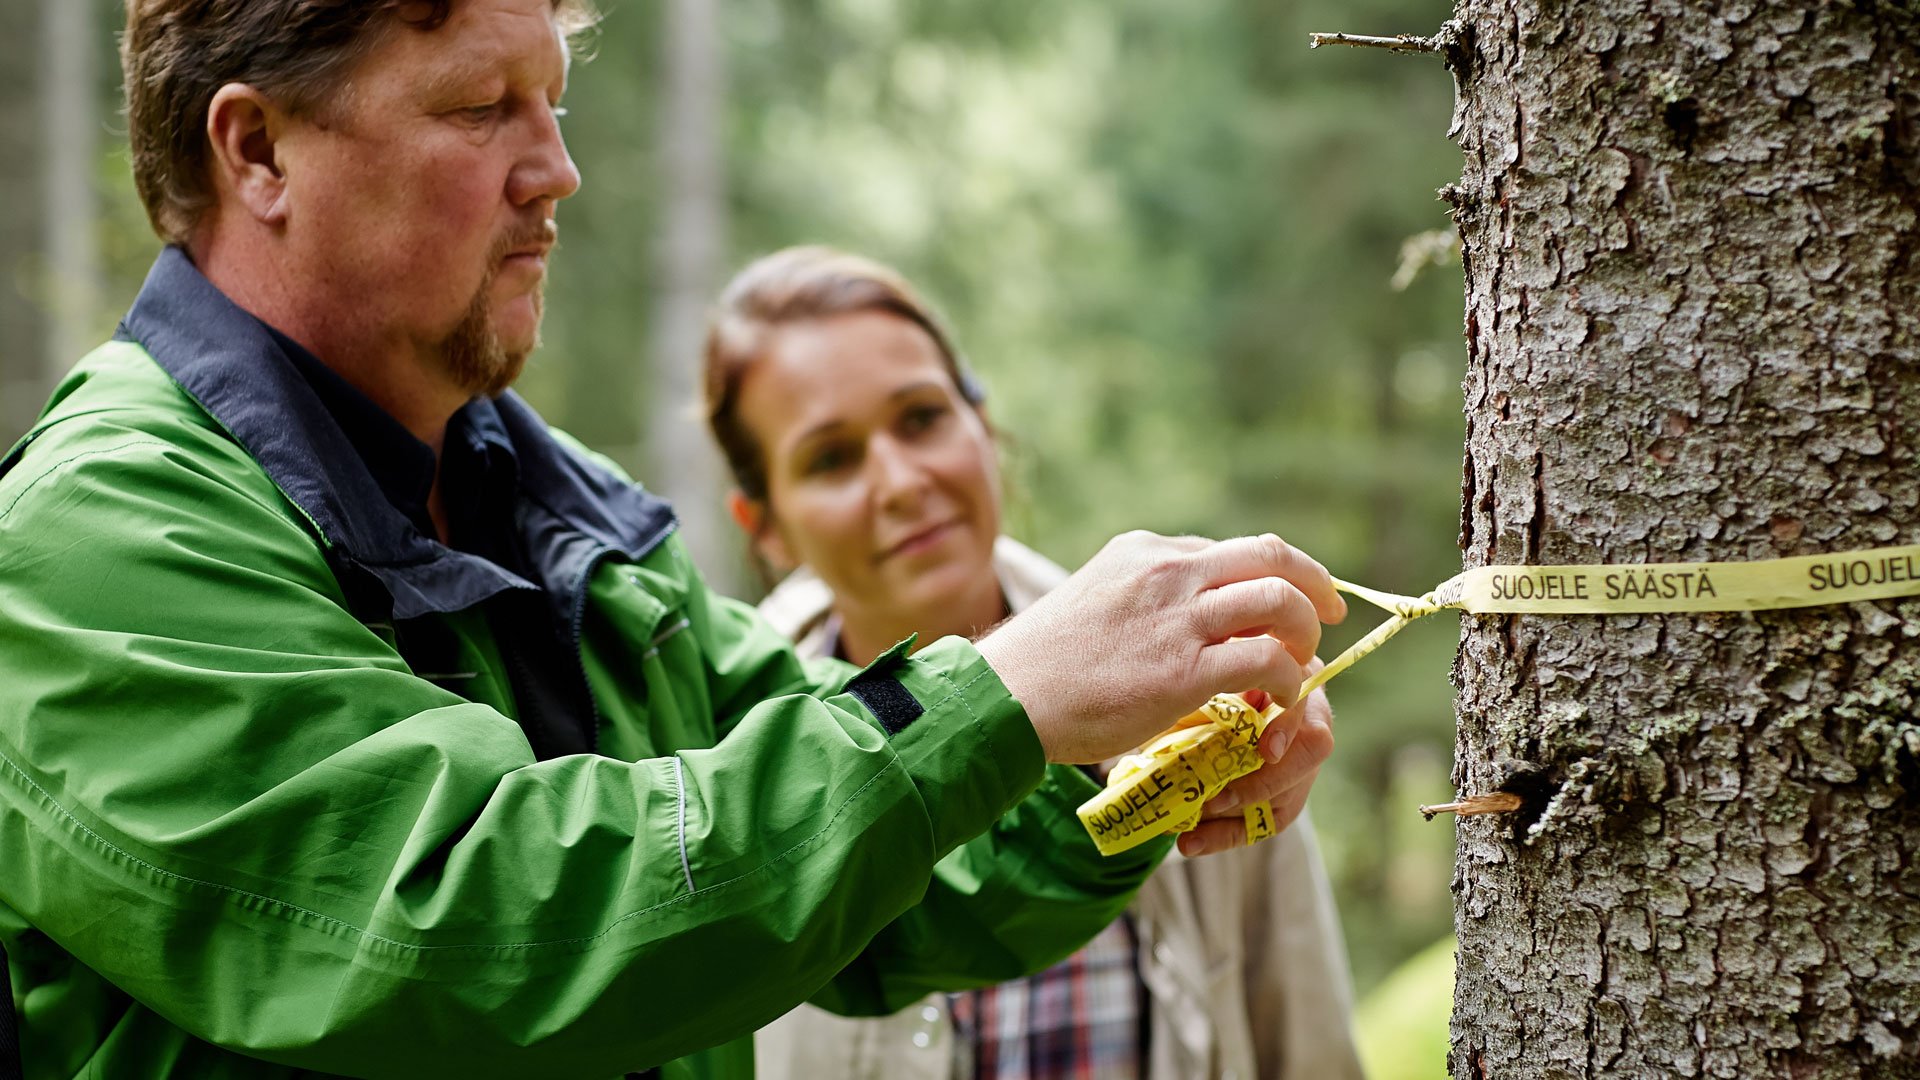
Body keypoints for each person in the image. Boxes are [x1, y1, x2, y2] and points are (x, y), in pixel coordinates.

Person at [0, 2, 1346, 1077]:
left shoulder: (541, 499)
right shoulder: (93, 538)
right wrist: (996, 697)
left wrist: (1136, 768)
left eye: (555, 102)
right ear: (258, 151)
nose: (559, 170)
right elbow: (480, 920)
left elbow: (883, 878)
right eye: (483, 107)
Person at [703, 246, 1365, 1080]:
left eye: (921, 418)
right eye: (830, 459)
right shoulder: (718, 764)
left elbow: (1303, 1042)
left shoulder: (1189, 684)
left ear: (982, 423)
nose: (901, 481)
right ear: (765, 525)